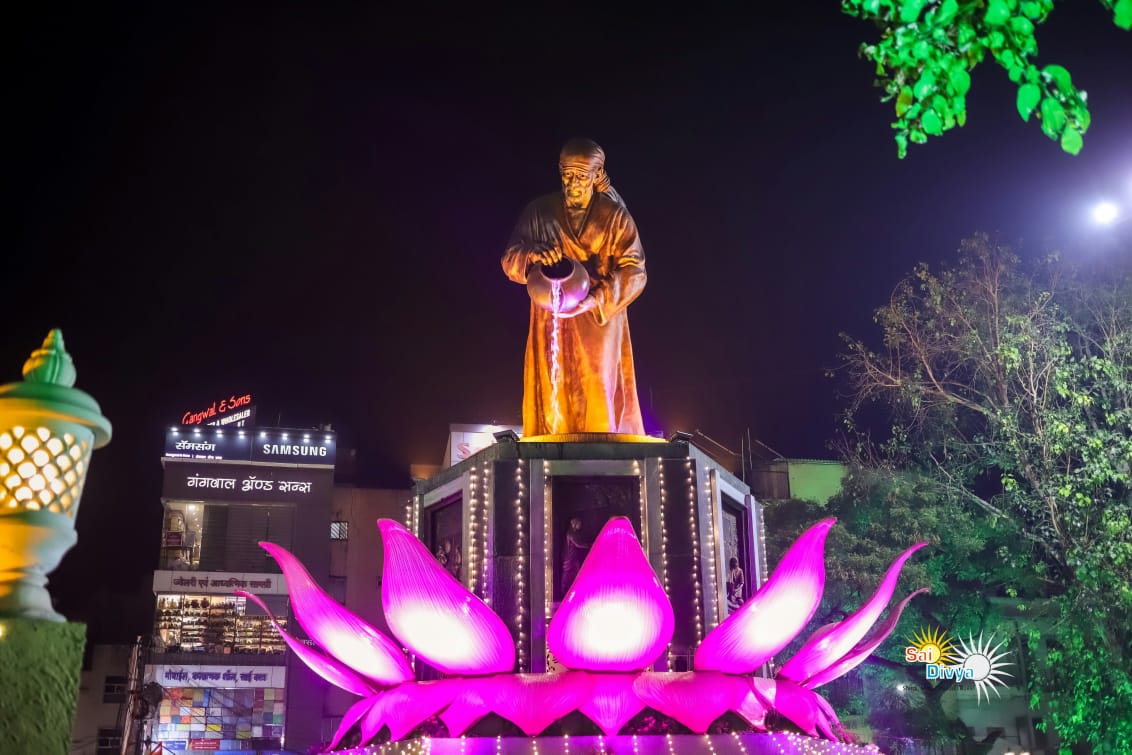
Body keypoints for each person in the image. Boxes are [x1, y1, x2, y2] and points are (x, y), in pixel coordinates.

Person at [502, 138, 647, 436]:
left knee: (597, 389)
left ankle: (600, 467)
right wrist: (533, 253)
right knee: (555, 388)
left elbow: (636, 270)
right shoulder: (539, 212)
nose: (573, 184)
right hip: (551, 319)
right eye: (567, 175)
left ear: (597, 175)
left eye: (581, 176)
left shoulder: (615, 217)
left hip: (598, 320)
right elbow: (509, 260)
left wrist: (597, 299)